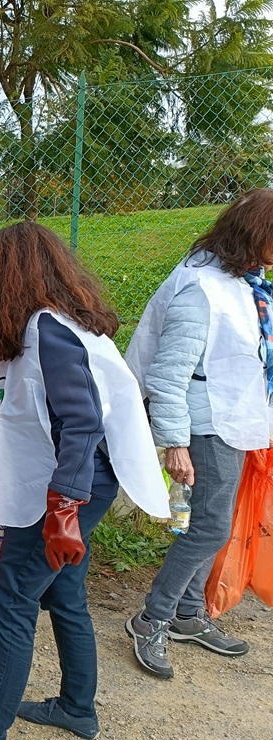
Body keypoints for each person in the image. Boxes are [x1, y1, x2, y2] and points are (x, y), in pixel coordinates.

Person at [0, 222, 167, 740]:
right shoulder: (45, 327)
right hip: (74, 480)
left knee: (11, 597)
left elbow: (80, 422)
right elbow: (36, 400)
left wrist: (63, 511)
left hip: (72, 483)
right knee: (64, 591)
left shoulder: (49, 331)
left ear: (9, 276)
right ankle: (78, 708)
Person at [124, 188, 273, 679]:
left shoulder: (245, 281)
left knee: (210, 522)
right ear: (256, 234)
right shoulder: (201, 287)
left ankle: (188, 615)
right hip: (204, 425)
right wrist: (175, 443)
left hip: (226, 418)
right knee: (209, 527)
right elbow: (168, 373)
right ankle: (152, 619)